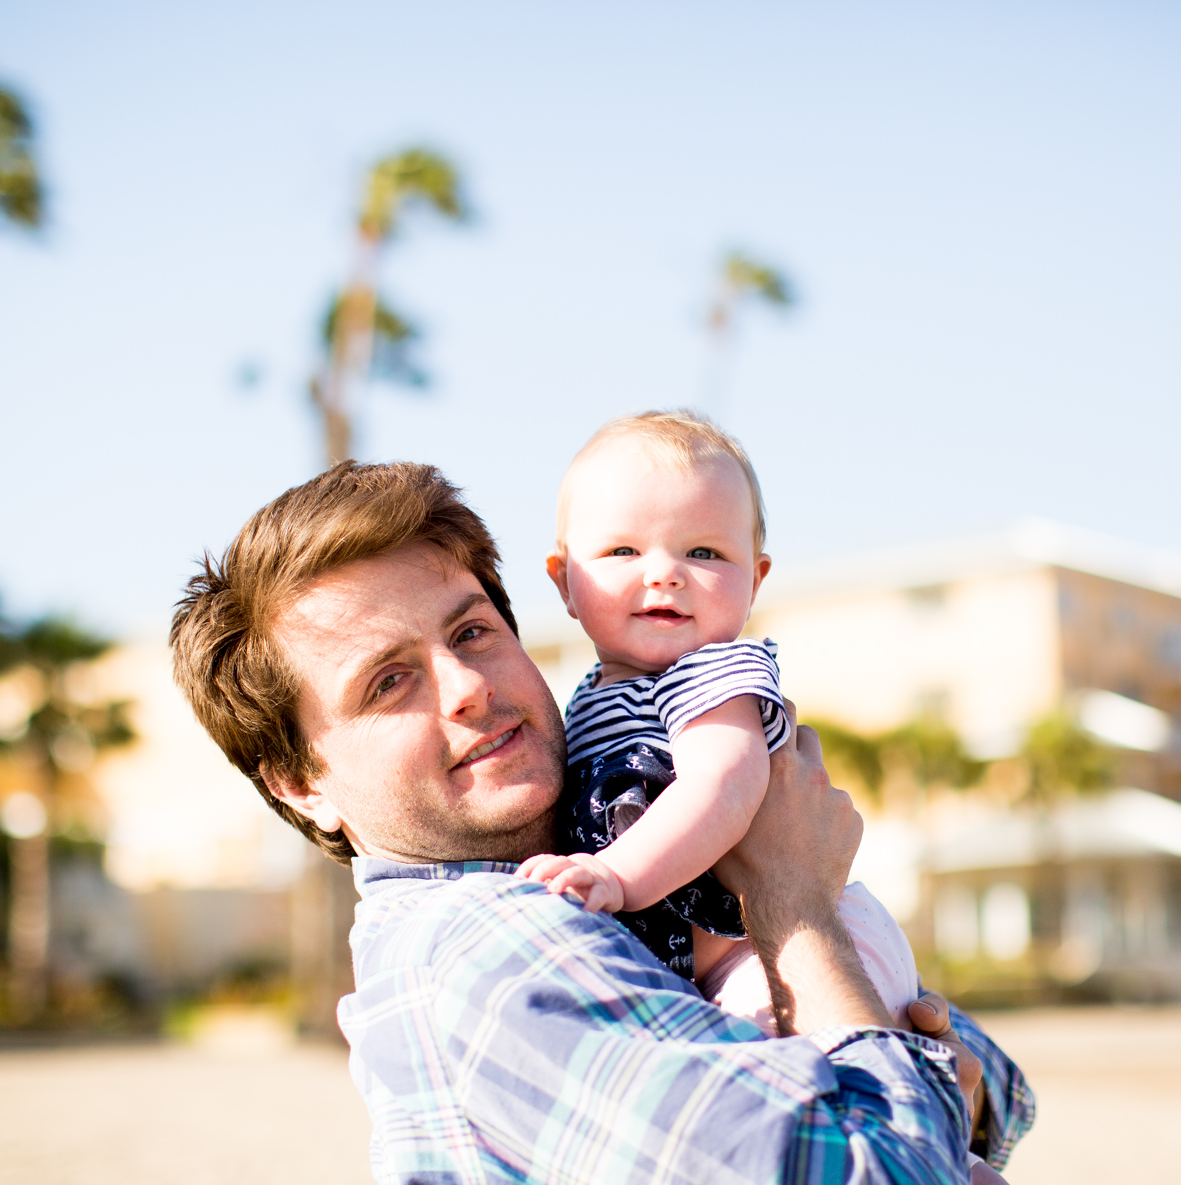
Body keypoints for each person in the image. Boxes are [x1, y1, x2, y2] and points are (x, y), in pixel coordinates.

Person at [170, 460, 1035, 1183]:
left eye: (471, 633)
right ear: (299, 783)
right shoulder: (494, 946)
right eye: (387, 681)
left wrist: (940, 1076)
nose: (468, 687)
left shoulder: (596, 856)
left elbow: (988, 1090)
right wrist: (795, 904)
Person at [516, 411, 921, 1044]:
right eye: (623, 550)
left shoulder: (711, 673)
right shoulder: (589, 699)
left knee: (803, 1086)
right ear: (564, 580)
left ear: (755, 581)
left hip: (785, 945)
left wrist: (618, 875)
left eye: (704, 552)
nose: (665, 572)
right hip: (734, 958)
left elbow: (720, 785)